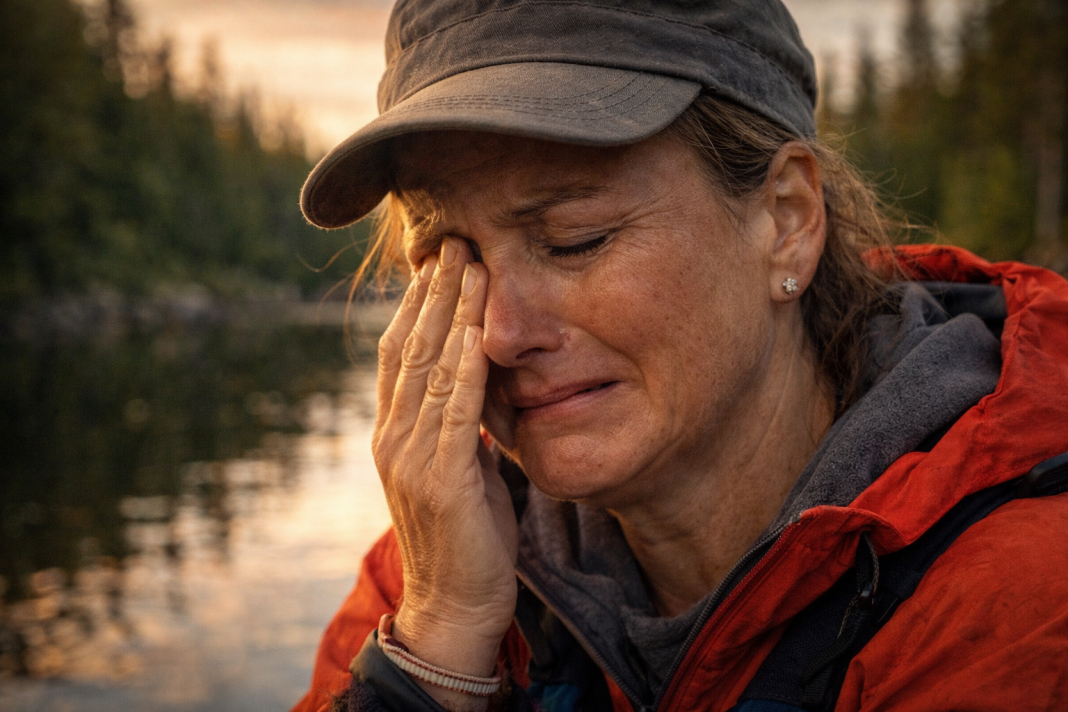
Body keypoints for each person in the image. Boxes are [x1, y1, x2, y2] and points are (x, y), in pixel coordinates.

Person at [292, 1, 1068, 710]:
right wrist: (434, 657)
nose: (498, 333)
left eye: (575, 239)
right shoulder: (436, 573)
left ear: (787, 221)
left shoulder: (1017, 597)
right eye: (449, 255)